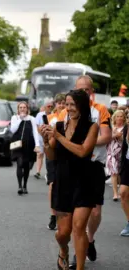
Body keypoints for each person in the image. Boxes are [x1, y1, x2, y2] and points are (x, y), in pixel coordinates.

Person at [57, 76, 111, 269]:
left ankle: (89, 239)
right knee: (67, 228)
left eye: (87, 90)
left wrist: (85, 142)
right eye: (80, 89)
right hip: (70, 170)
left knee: (94, 211)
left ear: (92, 91)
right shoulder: (66, 112)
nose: (84, 93)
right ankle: (75, 247)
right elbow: (60, 139)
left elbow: (106, 137)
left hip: (94, 165)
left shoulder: (100, 110)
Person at [41, 90, 99, 270]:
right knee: (62, 234)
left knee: (79, 228)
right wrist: (45, 141)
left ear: (82, 106)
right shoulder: (58, 126)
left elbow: (83, 151)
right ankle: (64, 251)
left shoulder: (92, 127)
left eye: (73, 104)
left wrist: (58, 137)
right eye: (67, 104)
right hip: (63, 182)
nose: (69, 108)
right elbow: (51, 156)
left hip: (84, 182)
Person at [9, 102, 41, 195]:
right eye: (20, 107)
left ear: (27, 109)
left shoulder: (32, 119)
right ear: (18, 109)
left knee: (26, 165)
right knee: (20, 163)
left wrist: (37, 145)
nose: (22, 109)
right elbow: (13, 130)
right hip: (18, 144)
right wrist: (20, 119)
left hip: (29, 144)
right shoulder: (14, 117)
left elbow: (35, 132)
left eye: (24, 107)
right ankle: (19, 186)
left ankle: (25, 185)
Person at [46, 93, 66, 230]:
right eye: (59, 103)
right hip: (53, 153)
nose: (62, 105)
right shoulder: (50, 118)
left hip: (66, 154)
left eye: (64, 102)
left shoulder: (69, 117)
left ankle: (64, 214)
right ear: (55, 104)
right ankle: (53, 215)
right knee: (53, 184)